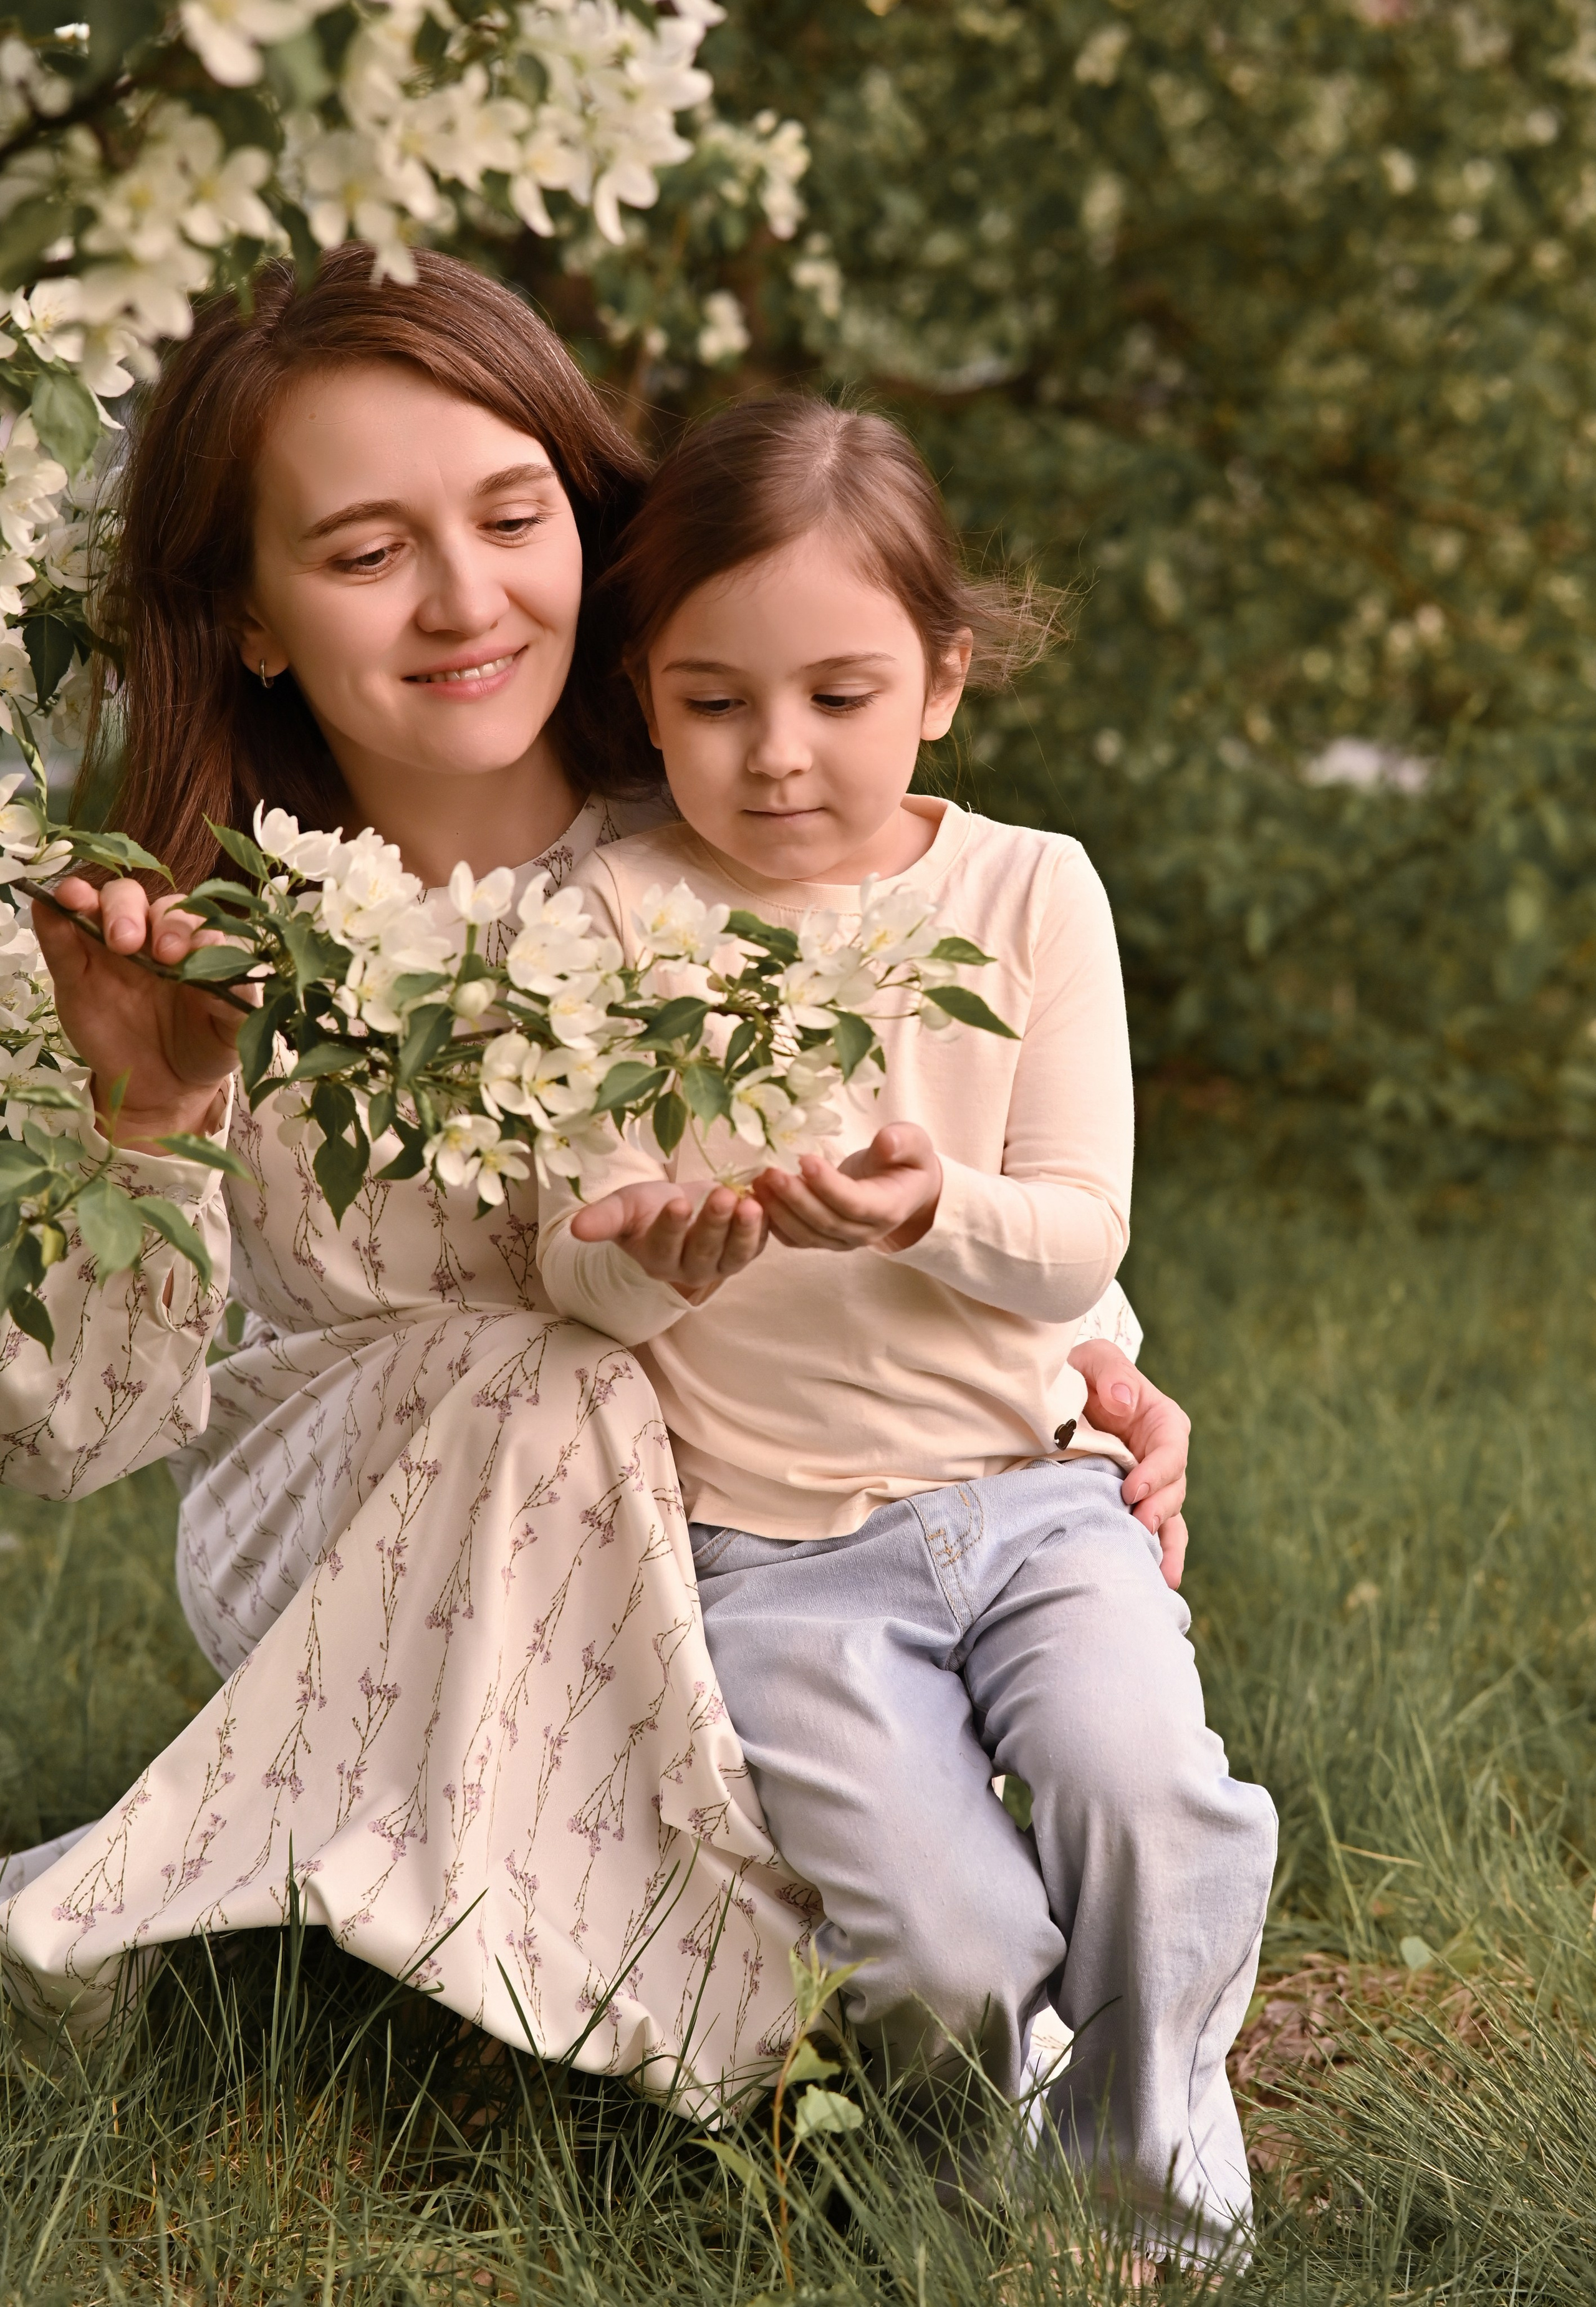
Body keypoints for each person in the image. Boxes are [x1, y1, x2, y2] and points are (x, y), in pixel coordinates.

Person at [0, 253, 1190, 2102]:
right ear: (248, 610)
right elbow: (63, 1432)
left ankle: (850, 1984)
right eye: (366, 550)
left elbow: (939, 1144)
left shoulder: (734, 830)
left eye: (510, 511)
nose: (466, 598)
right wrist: (148, 1116)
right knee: (555, 1370)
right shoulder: (174, 929)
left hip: (759, 1508)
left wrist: (1094, 1383)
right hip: (367, 1503)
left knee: (672, 1426)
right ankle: (765, 2039)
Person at [535, 393, 1277, 2247]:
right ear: (643, 691)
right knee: (941, 1936)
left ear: (942, 680)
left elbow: (1077, 1231)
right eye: (713, 704)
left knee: (1149, 1799)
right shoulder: (622, 914)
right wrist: (660, 1255)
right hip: (773, 1546)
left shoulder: (1028, 892)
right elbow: (580, 1258)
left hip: (1032, 1491)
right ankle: (967, 2191)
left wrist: (932, 1206)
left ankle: (1149, 2163)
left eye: (840, 697)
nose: (778, 757)